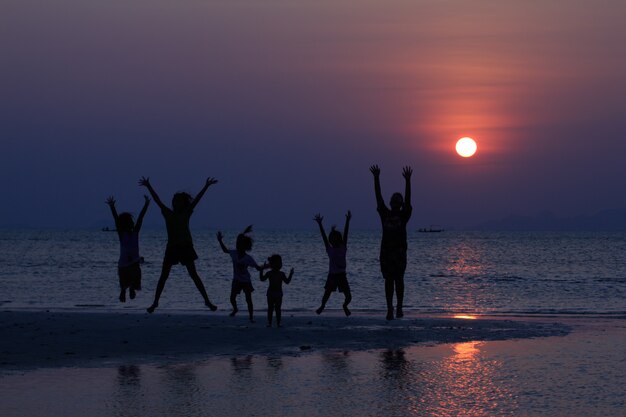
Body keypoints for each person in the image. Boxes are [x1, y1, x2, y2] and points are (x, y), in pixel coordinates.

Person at [139, 176, 218, 313]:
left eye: (178, 201)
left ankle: (207, 301)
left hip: (186, 246)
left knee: (194, 274)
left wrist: (206, 186)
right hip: (172, 247)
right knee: (163, 276)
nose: (175, 202)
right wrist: (148, 185)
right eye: (174, 201)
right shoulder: (167, 213)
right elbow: (157, 200)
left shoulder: (186, 213)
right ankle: (155, 302)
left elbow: (197, 200)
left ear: (183, 203)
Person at [369, 165, 413, 320]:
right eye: (394, 199)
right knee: (388, 281)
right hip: (387, 254)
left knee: (399, 280)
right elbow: (378, 197)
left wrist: (408, 181)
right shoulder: (385, 214)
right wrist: (376, 178)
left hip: (399, 253)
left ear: (399, 204)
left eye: (398, 200)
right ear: (391, 202)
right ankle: (389, 309)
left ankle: (399, 308)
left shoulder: (403, 216)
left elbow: (408, 201)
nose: (396, 201)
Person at [105, 195, 150, 302]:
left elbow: (140, 218)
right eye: (128, 222)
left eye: (131, 222)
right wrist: (112, 207)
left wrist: (146, 205)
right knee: (124, 279)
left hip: (134, 261)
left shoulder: (135, 232)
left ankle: (131, 289)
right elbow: (116, 219)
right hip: (124, 263)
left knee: (135, 277)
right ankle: (124, 291)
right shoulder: (122, 233)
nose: (131, 224)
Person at [217, 226, 265, 323]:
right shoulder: (233, 253)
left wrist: (266, 266)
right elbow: (225, 250)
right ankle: (235, 309)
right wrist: (220, 241)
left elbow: (257, 268)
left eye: (239, 244)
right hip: (236, 280)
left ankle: (251, 317)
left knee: (248, 299)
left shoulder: (248, 258)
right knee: (232, 298)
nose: (237, 245)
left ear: (244, 246)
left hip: (246, 281)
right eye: (237, 243)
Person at [313, 211, 352, 316]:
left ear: (339, 240)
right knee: (327, 294)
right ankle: (322, 306)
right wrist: (320, 224)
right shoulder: (329, 249)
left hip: (342, 276)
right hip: (332, 276)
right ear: (330, 240)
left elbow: (346, 233)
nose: (333, 241)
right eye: (332, 239)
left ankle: (345, 306)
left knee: (349, 296)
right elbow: (324, 238)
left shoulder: (343, 247)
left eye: (336, 239)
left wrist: (347, 221)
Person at [260, 254, 294, 327]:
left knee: (277, 309)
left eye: (280, 263)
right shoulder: (271, 273)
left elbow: (287, 281)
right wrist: (261, 270)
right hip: (271, 293)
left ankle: (277, 323)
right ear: (272, 264)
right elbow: (262, 279)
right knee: (271, 309)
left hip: (277, 293)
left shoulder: (281, 274)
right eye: (278, 263)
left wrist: (291, 274)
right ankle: (270, 323)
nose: (280, 264)